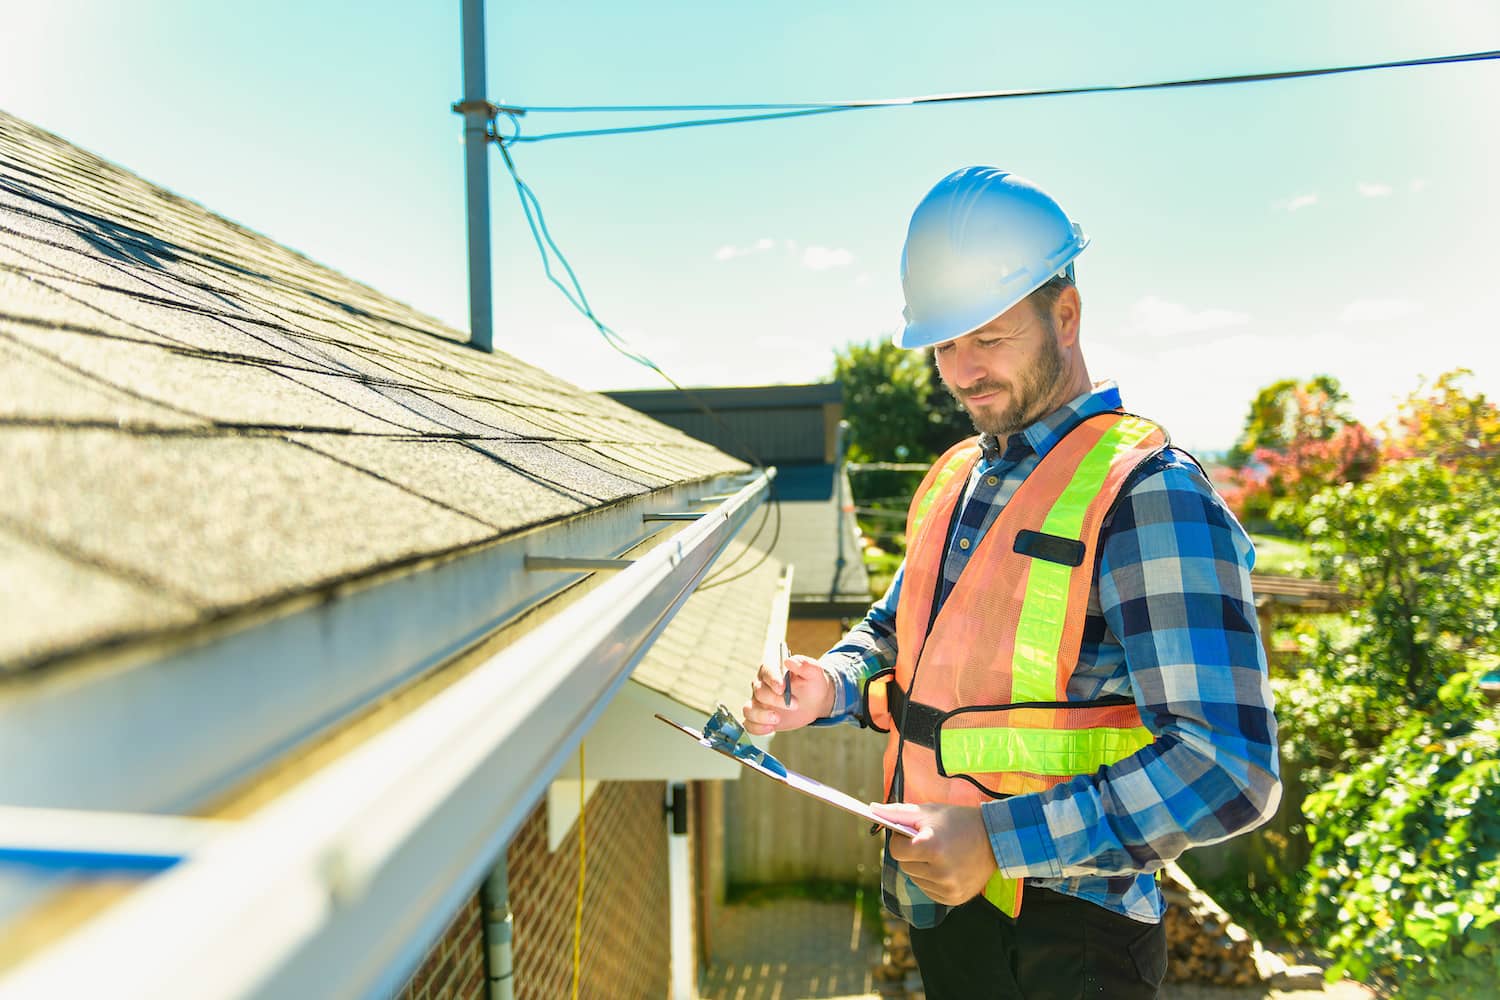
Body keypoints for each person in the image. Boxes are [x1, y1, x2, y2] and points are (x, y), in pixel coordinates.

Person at [743, 167, 1281, 999]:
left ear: (1064, 316)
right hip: (950, 914)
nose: (962, 372)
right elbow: (898, 638)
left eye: (988, 337)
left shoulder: (1150, 493)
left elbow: (1229, 768)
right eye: (944, 345)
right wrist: (830, 684)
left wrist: (1000, 839)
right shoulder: (960, 475)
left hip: (1072, 937)